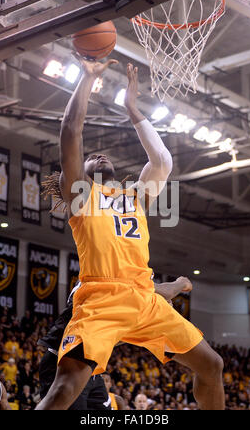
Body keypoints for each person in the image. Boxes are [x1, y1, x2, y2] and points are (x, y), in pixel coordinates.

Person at [36, 58, 224, 410]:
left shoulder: (133, 196)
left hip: (145, 300)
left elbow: (163, 161)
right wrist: (88, 80)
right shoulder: (82, 195)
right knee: (64, 389)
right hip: (102, 299)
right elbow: (70, 132)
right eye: (91, 159)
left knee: (212, 365)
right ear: (83, 173)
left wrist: (133, 110)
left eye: (101, 156)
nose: (99, 156)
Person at [37, 277, 192, 410]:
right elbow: (164, 291)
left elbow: (113, 338)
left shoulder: (122, 299)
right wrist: (181, 283)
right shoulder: (107, 282)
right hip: (63, 363)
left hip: (91, 370)